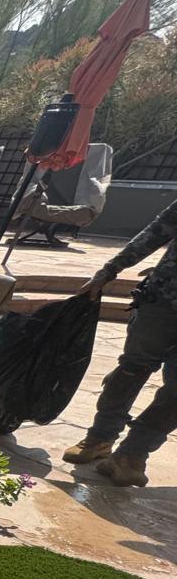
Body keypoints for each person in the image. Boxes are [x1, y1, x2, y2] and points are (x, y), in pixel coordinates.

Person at [65, 198, 177, 486]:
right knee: (131, 370)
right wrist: (109, 270)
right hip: (162, 302)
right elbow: (156, 232)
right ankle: (100, 438)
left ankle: (132, 455)